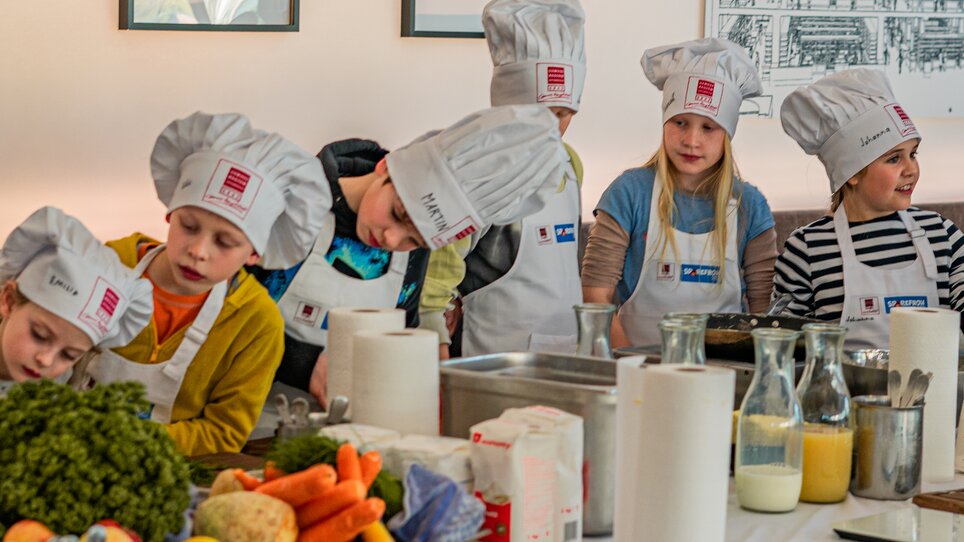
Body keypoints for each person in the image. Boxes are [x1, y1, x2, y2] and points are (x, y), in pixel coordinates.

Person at [250, 104, 571, 407]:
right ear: (386, 167)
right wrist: (303, 363)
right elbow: (218, 312)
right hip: (244, 422)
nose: (390, 239)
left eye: (415, 240)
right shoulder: (290, 203)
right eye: (397, 213)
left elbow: (404, 328)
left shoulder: (412, 257)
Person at [84, 111, 331, 456]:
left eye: (226, 243)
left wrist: (129, 445)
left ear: (254, 254)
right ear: (170, 214)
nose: (198, 251)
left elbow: (223, 433)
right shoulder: (108, 265)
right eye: (188, 225)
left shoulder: (256, 323)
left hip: (172, 474)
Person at [582, 38, 777, 348]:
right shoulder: (629, 193)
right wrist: (634, 365)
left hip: (725, 372)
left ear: (726, 135)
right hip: (634, 367)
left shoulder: (749, 206)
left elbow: (763, 310)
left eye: (708, 128)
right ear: (664, 124)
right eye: (680, 123)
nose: (691, 140)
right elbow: (596, 297)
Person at [418, 0, 586, 358]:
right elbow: (435, 282)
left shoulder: (572, 166)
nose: (552, 127)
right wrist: (439, 358)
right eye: (539, 113)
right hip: (489, 365)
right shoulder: (476, 172)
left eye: (564, 114)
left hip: (566, 357)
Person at [775, 68, 964, 348]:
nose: (911, 169)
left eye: (913, 154)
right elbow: (782, 344)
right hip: (844, 390)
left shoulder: (942, 235)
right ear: (851, 171)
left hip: (937, 390)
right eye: (894, 159)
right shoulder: (807, 249)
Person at [0, 207, 152, 394]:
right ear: (8, 301)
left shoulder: (55, 389)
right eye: (39, 335)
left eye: (68, 355)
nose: (46, 360)